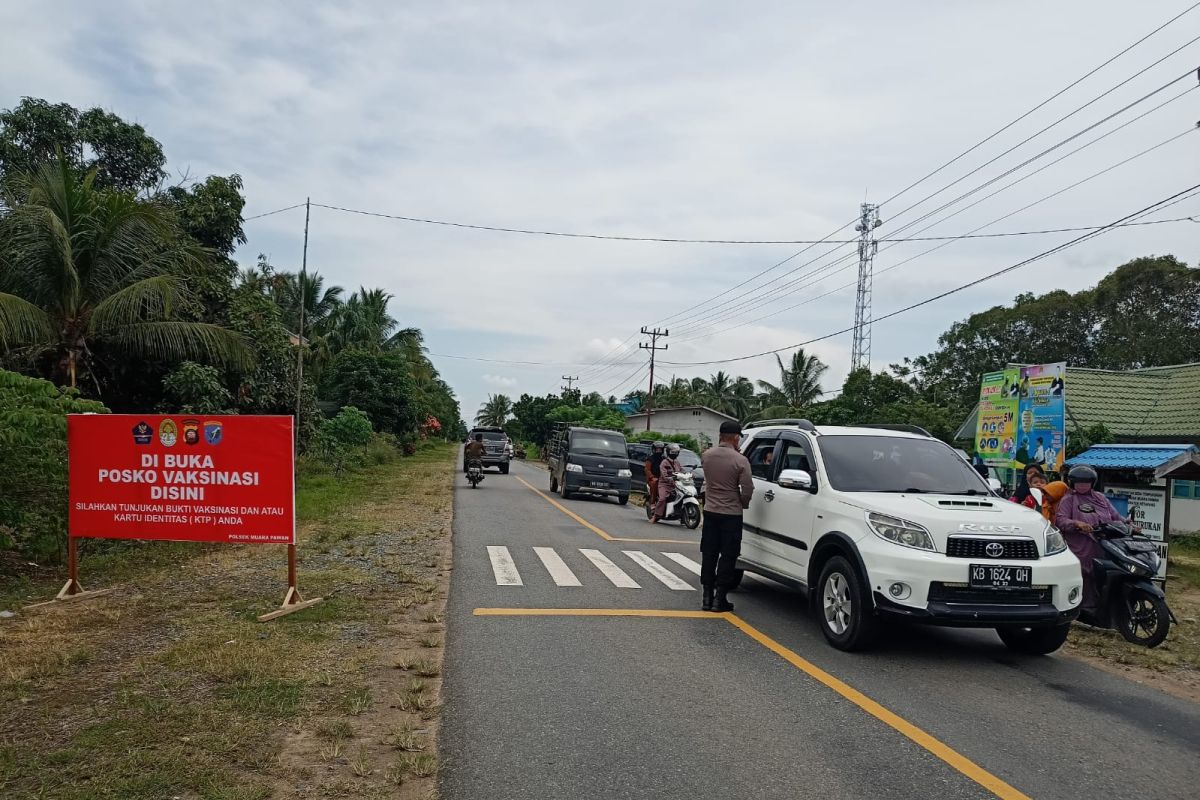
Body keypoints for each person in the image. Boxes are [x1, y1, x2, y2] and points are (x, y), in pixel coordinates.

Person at [699, 421, 754, 612]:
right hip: (731, 514)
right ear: (737, 437)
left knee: (709, 553)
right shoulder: (740, 460)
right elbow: (747, 488)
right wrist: (742, 503)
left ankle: (706, 597)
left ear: (720, 435)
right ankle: (719, 599)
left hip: (711, 511)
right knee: (728, 555)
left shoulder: (707, 455)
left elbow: (708, 481)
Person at [1055, 465, 1123, 611]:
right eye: (1079, 482)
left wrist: (1129, 524)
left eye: (1086, 482)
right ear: (1072, 483)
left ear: (1092, 483)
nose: (1082, 485)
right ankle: (1080, 608)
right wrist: (1077, 524)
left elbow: (1116, 517)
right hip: (1080, 545)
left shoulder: (1101, 498)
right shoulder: (1068, 500)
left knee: (1102, 575)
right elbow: (1060, 520)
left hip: (1103, 543)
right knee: (1084, 575)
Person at [650, 443, 682, 524]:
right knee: (662, 499)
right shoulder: (664, 462)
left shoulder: (677, 462)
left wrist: (690, 474)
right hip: (664, 484)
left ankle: (682, 516)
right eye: (673, 452)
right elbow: (664, 475)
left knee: (681, 496)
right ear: (668, 452)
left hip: (675, 484)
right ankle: (655, 516)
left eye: (676, 452)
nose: (674, 454)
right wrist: (669, 478)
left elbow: (682, 470)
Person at [644, 441, 665, 507]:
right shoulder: (650, 459)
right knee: (654, 484)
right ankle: (653, 502)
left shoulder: (664, 459)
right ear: (654, 449)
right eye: (657, 449)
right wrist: (652, 477)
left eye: (660, 449)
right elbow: (647, 469)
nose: (659, 451)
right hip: (653, 479)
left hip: (663, 478)